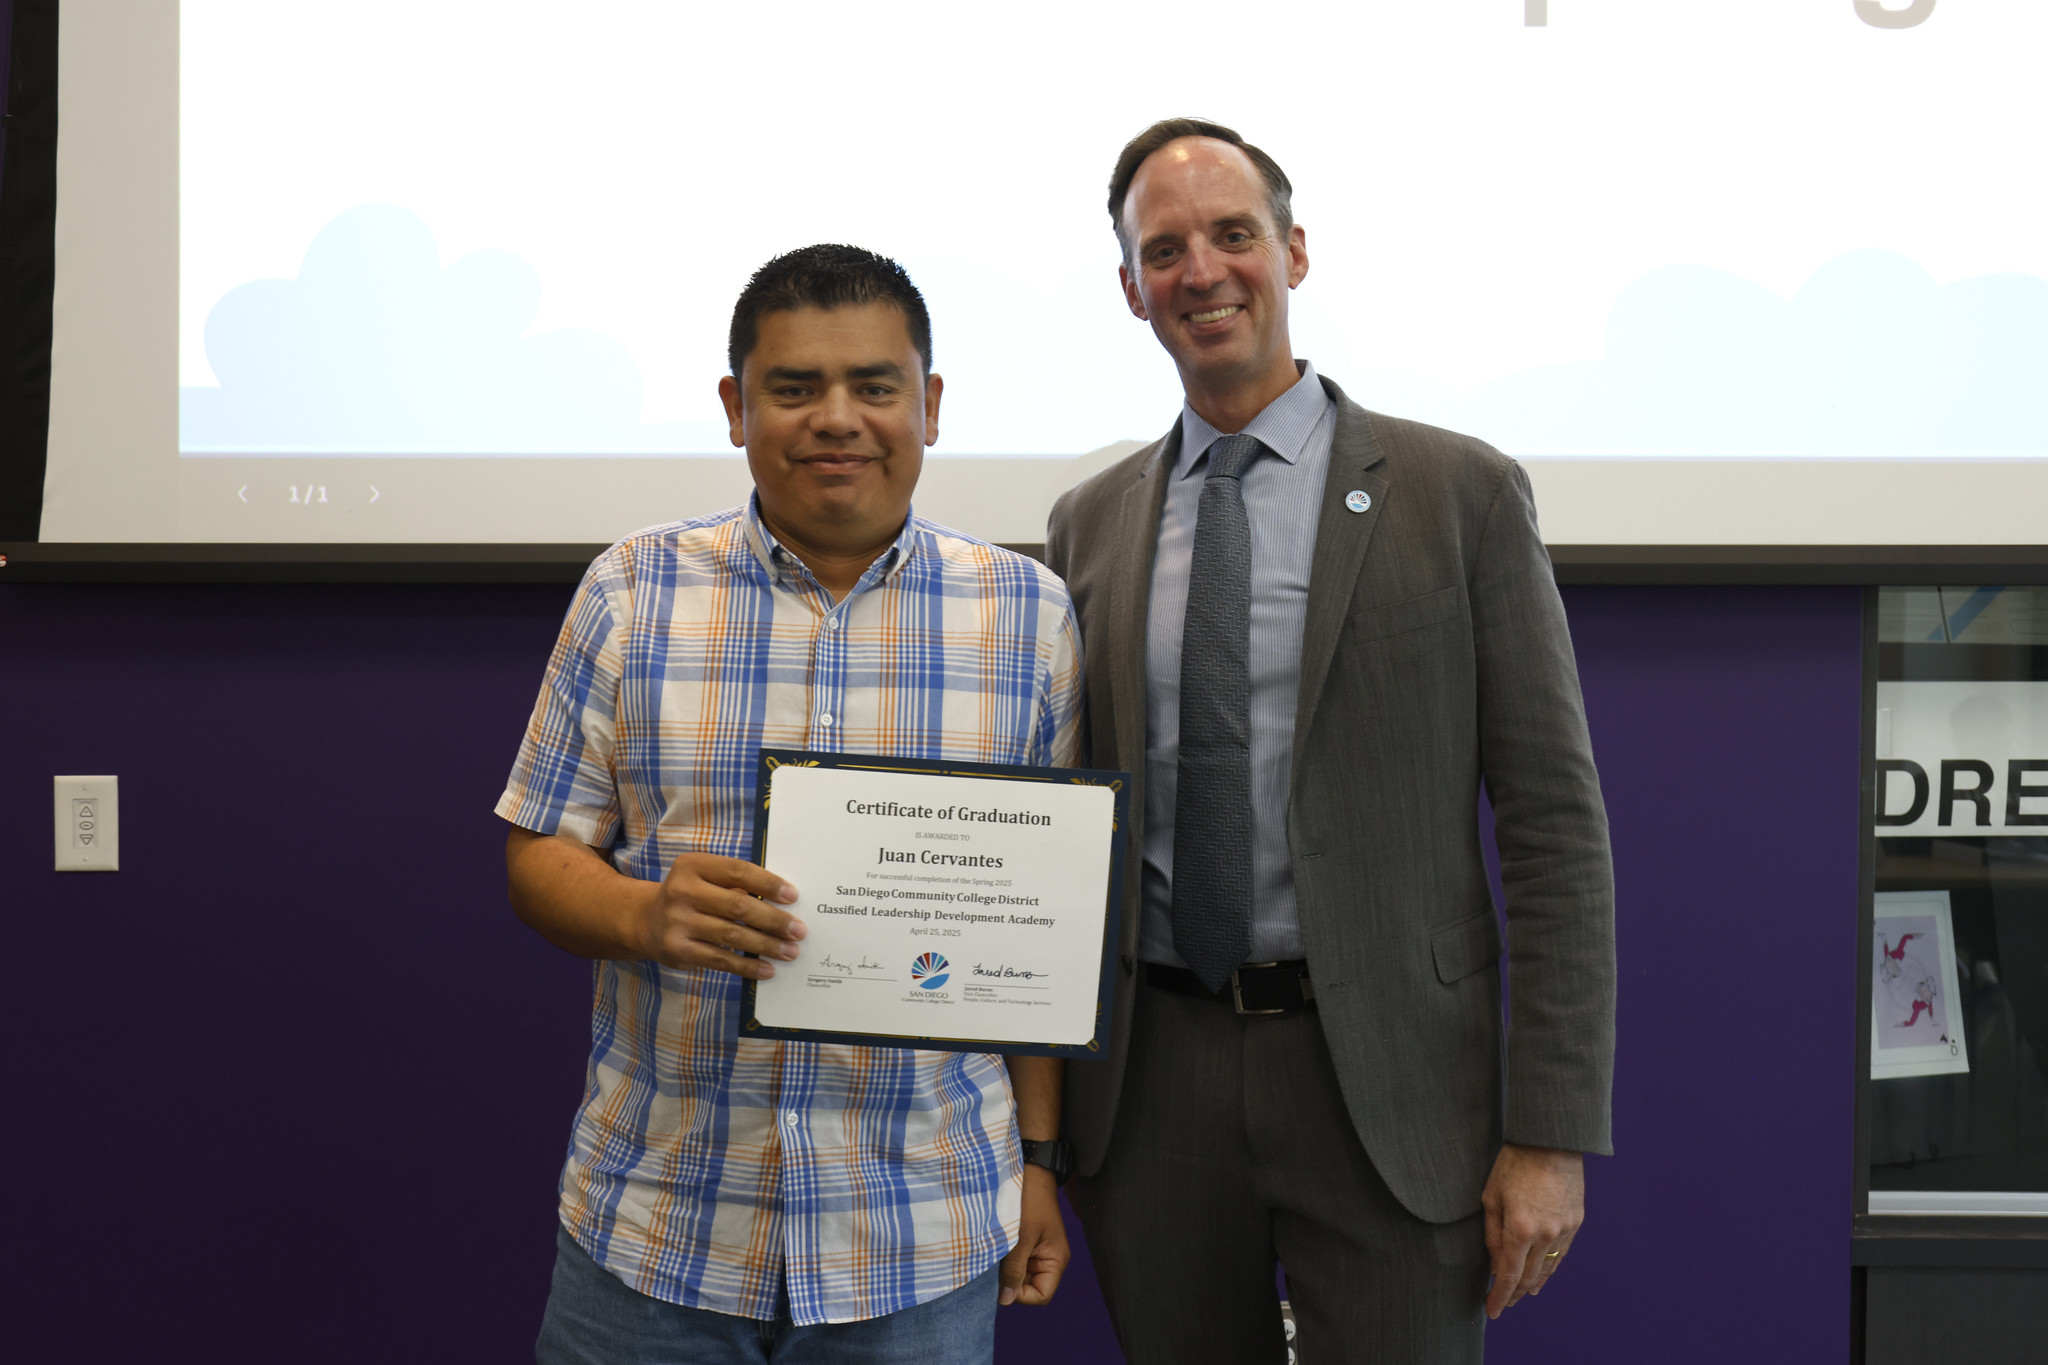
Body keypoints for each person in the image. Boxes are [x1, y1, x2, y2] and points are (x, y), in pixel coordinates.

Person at [1045, 119, 1617, 1363]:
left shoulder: (1454, 491)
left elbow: (1552, 828)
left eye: (1232, 235)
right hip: (1153, 1093)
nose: (1201, 270)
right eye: (1164, 249)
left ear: (1293, 252)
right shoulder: (1087, 523)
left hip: (1390, 1090)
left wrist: (1549, 1130)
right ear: (1130, 287)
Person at [498, 244, 1079, 1364]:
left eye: (874, 386)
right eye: (794, 388)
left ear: (930, 404)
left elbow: (1039, 943)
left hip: (916, 1234)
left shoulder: (1028, 618)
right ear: (735, 406)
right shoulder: (633, 590)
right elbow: (535, 855)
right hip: (658, 1220)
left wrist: (1039, 1166)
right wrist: (644, 914)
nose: (837, 419)